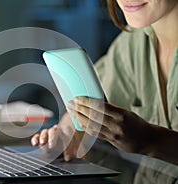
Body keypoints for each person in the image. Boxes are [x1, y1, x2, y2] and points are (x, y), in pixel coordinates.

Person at [31, 0, 178, 165]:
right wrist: (66, 136)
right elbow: (87, 107)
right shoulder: (131, 43)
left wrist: (151, 141)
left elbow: (148, 141)